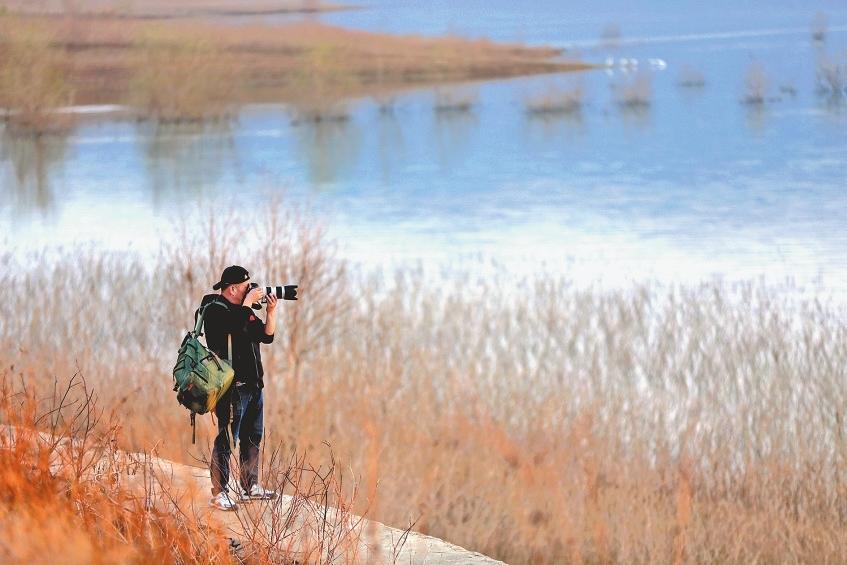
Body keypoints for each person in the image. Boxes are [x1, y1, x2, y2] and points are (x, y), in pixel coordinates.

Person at [200, 265, 279, 511]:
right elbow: (227, 330)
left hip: (254, 385)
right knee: (226, 439)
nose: (250, 291)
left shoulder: (243, 312)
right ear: (233, 288)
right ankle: (219, 493)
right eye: (246, 287)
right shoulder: (214, 309)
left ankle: (250, 485)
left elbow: (266, 337)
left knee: (253, 436)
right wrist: (247, 306)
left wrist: (272, 312)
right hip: (232, 387)